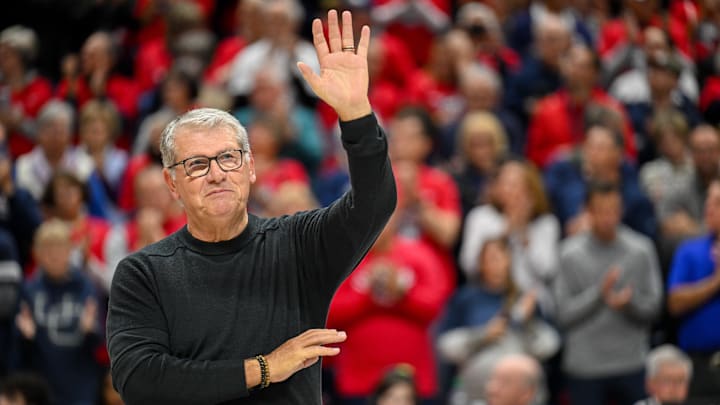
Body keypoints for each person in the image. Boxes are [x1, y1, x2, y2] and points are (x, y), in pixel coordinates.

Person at [106, 9, 397, 405]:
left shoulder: (298, 247)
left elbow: (374, 202)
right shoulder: (144, 273)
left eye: (228, 158)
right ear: (171, 183)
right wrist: (264, 369)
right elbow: (140, 380)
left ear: (251, 168)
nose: (216, 174)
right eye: (196, 164)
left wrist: (356, 116)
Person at [553, 182, 663, 405]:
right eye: (601, 210)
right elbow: (563, 314)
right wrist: (599, 294)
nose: (607, 218)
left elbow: (654, 308)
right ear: (588, 212)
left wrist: (628, 303)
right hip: (585, 367)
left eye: (613, 210)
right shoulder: (569, 254)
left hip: (631, 362)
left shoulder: (641, 249)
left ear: (622, 210)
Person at [10, 219, 104, 405]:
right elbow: (19, 355)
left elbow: (102, 346)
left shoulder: (87, 288)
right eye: (47, 249)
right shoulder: (28, 290)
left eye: (60, 248)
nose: (54, 255)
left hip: (81, 387)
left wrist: (91, 331)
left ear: (70, 251)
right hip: (44, 388)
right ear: (36, 254)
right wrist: (25, 338)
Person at [667, 178, 720, 402]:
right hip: (697, 363)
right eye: (708, 200)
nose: (709, 207)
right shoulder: (690, 250)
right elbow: (674, 302)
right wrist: (716, 282)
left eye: (717, 202)